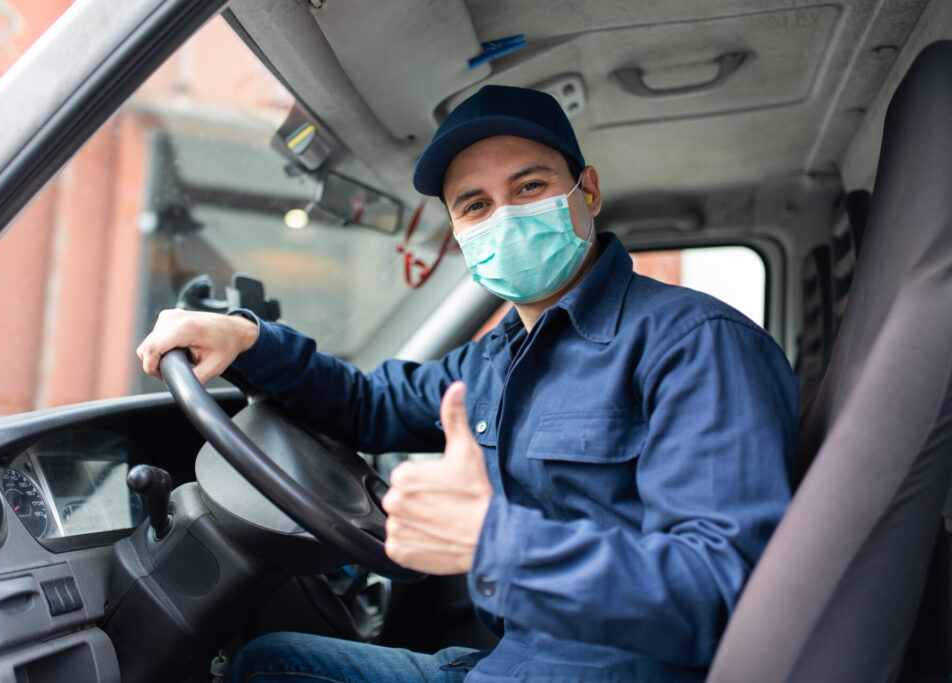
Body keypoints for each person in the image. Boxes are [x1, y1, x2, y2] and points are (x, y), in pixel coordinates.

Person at [137, 85, 797, 681]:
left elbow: (722, 590)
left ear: (586, 192)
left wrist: (492, 543)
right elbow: (368, 404)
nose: (503, 217)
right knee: (270, 663)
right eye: (475, 204)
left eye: (531, 187)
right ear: (458, 232)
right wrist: (251, 340)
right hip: (513, 662)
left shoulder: (695, 344)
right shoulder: (494, 359)